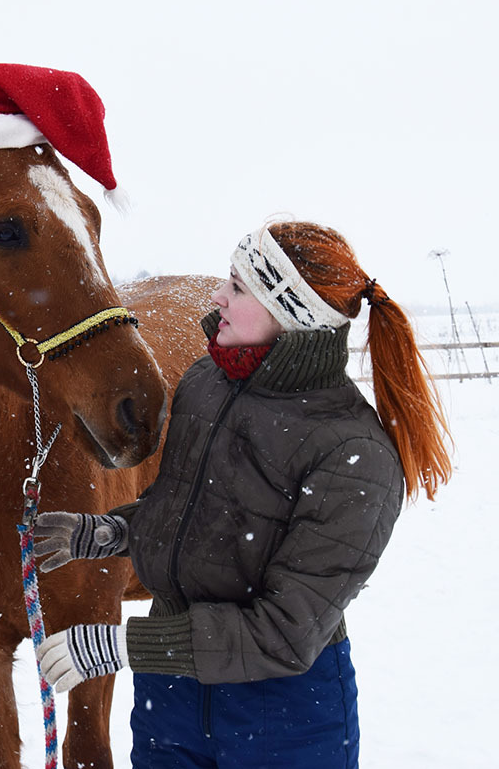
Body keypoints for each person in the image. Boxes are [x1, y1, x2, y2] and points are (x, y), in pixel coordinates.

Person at [32, 219, 453, 768]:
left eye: (237, 285)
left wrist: (120, 647)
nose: (216, 296)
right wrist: (104, 533)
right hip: (171, 704)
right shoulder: (205, 384)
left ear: (291, 310)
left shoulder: (356, 455)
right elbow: (186, 512)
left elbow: (282, 633)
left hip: (282, 716)